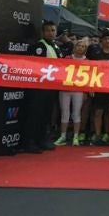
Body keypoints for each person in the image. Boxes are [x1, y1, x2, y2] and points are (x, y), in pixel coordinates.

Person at [24, 21, 62, 153]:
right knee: (36, 114)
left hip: (51, 87)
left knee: (46, 115)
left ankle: (42, 139)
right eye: (48, 30)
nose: (51, 33)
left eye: (53, 30)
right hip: (39, 88)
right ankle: (30, 142)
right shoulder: (38, 46)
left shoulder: (56, 47)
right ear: (43, 32)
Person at [54, 37, 89, 146]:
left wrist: (86, 91)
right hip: (65, 89)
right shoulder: (67, 58)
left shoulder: (87, 61)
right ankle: (63, 136)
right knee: (64, 112)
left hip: (78, 90)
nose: (80, 48)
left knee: (76, 113)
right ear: (75, 47)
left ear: (85, 49)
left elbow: (89, 78)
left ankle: (75, 136)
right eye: (79, 45)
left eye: (83, 46)